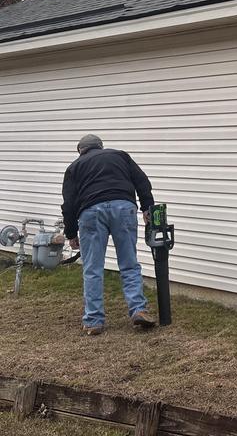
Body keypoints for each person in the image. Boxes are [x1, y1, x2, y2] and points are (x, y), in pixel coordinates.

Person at [61, 134, 157, 335]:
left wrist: (71, 233)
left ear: (81, 150)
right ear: (101, 146)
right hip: (123, 207)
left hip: (91, 212)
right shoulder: (120, 156)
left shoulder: (74, 167)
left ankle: (94, 320)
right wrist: (147, 208)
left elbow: (68, 204)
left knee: (92, 268)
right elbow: (142, 181)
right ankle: (138, 310)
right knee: (129, 263)